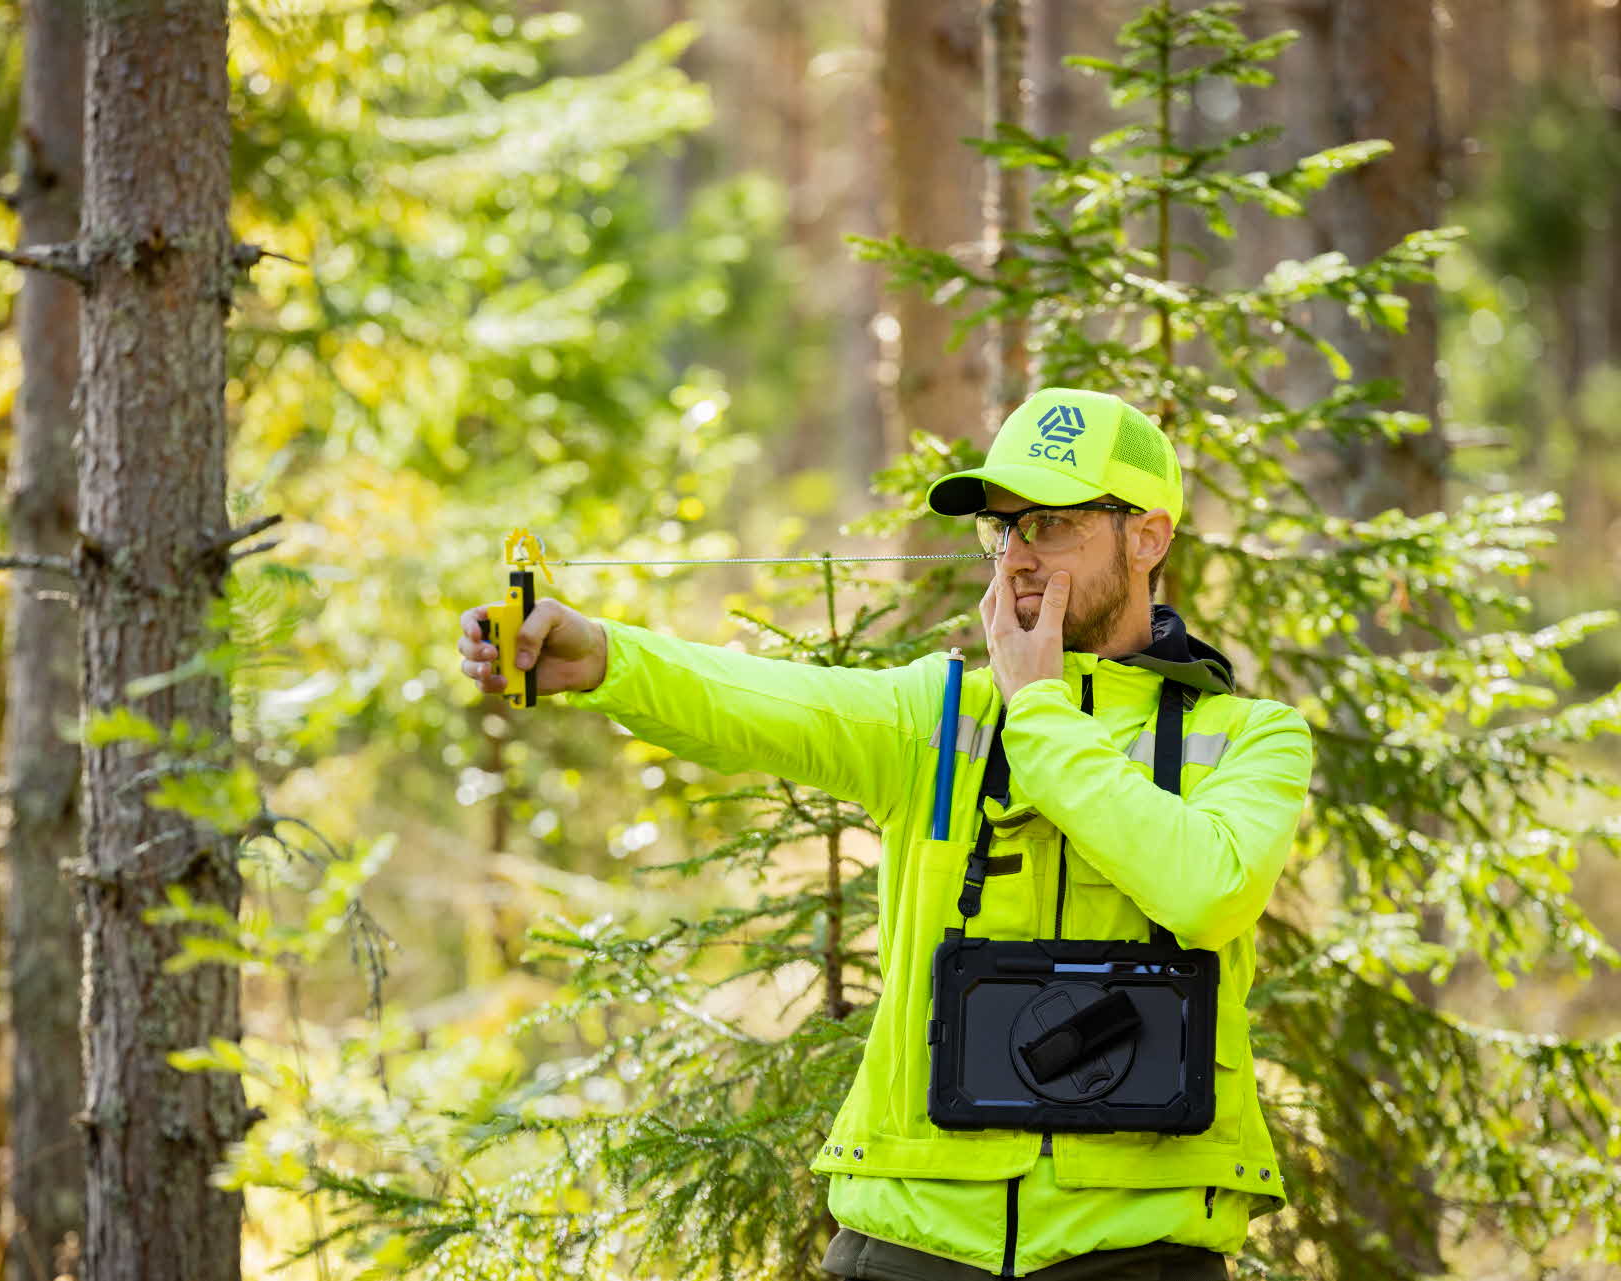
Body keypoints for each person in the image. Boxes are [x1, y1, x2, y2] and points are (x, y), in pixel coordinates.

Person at [456, 387, 1313, 1280]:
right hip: (912, 1234)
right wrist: (605, 657)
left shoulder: (1252, 733)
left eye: (1052, 524)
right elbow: (757, 700)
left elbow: (1207, 889)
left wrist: (1039, 709)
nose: (1016, 557)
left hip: (1142, 1248)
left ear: (1148, 537)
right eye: (1003, 528)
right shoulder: (934, 713)